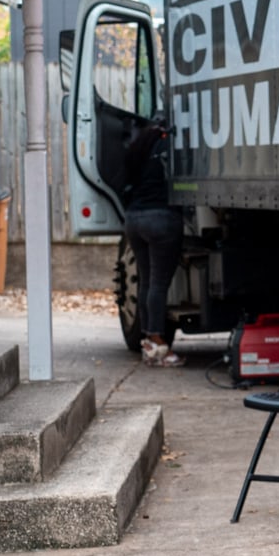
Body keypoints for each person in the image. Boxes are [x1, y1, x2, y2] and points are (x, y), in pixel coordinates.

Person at [121, 115, 183, 368]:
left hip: (134, 220)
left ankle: (149, 341)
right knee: (158, 284)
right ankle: (158, 343)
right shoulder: (168, 149)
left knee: (146, 282)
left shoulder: (139, 150)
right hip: (160, 220)